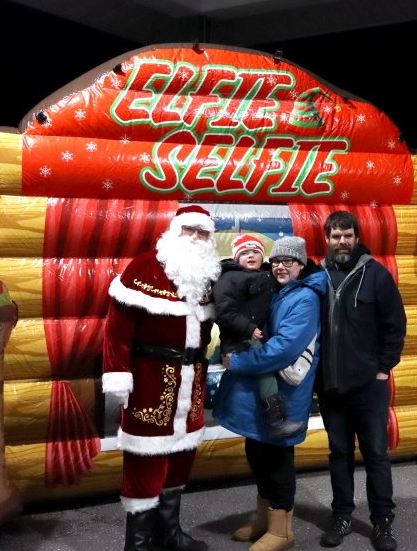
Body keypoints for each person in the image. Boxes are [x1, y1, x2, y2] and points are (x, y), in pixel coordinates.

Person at [103, 205, 220, 551]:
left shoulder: (207, 277)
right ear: (174, 231)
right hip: (150, 378)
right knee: (146, 458)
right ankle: (137, 543)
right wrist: (117, 374)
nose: (196, 238)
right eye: (190, 230)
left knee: (181, 456)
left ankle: (168, 532)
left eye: (203, 232)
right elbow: (117, 328)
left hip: (192, 381)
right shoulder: (144, 266)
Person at [213, 236, 327, 551]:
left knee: (277, 459)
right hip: (264, 391)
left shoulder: (304, 298)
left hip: (286, 391)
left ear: (301, 264)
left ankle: (282, 529)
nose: (279, 266)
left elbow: (283, 349)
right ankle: (264, 519)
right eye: (276, 261)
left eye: (287, 261)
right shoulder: (278, 289)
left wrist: (237, 361)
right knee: (258, 452)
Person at [317, 211, 406, 551]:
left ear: (357, 237)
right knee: (339, 453)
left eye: (348, 235)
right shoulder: (317, 275)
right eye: (336, 236)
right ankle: (341, 516)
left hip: (370, 385)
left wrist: (384, 368)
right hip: (330, 386)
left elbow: (395, 326)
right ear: (327, 239)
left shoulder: (376, 275)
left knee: (376, 455)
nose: (342, 241)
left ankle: (382, 521)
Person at [213, 233, 304, 438]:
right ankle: (277, 422)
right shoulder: (229, 277)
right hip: (239, 338)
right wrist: (247, 328)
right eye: (245, 252)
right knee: (265, 370)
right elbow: (224, 311)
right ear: (236, 257)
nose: (251, 255)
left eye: (255, 251)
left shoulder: (267, 273)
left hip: (256, 336)